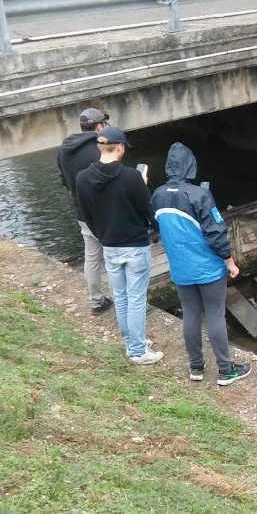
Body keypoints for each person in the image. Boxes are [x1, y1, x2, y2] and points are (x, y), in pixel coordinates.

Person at [150, 142, 251, 386]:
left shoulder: (157, 195)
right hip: (208, 268)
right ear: (190, 165)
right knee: (215, 315)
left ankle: (196, 367)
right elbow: (216, 232)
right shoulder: (200, 195)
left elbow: (156, 227)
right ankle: (226, 370)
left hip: (181, 269)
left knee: (191, 315)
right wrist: (229, 261)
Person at [76, 126, 164, 365]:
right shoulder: (131, 177)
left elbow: (87, 215)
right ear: (121, 148)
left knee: (121, 296)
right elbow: (148, 211)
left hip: (109, 246)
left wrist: (102, 236)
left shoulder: (82, 178)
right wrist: (142, 184)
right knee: (136, 298)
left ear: (99, 147)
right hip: (134, 245)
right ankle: (137, 351)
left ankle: (131, 342)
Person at [57, 107, 114, 315]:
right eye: (104, 124)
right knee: (114, 257)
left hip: (82, 213)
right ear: (99, 126)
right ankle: (124, 303)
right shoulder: (101, 149)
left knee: (92, 256)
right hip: (105, 214)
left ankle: (97, 301)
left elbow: (64, 181)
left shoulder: (64, 150)